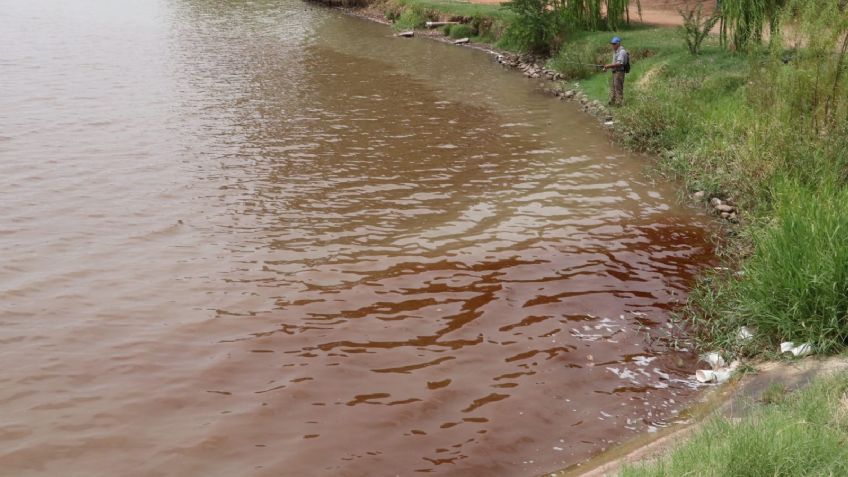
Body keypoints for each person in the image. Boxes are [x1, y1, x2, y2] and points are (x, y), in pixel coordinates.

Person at [602, 36, 629, 106]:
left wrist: (608, 66)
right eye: (612, 44)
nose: (612, 45)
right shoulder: (615, 52)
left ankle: (619, 104)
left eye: (614, 44)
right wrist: (606, 68)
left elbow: (619, 64)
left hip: (619, 72)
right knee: (613, 87)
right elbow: (614, 63)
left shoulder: (622, 52)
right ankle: (613, 102)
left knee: (618, 88)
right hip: (615, 72)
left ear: (618, 43)